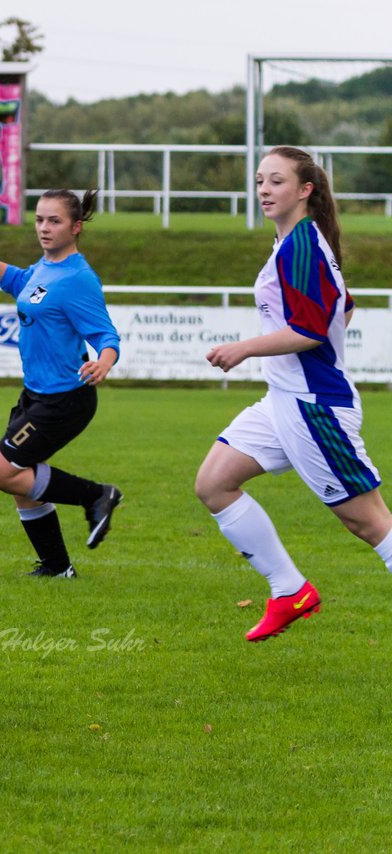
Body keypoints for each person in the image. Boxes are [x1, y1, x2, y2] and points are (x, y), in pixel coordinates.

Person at [195, 146, 392, 642]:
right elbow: (343, 307)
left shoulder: (302, 245)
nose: (264, 189)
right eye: (260, 180)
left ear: (305, 190)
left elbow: (311, 329)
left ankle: (290, 591)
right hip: (285, 398)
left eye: (276, 181)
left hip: (313, 406)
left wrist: (245, 348)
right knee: (215, 483)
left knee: (371, 525)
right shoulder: (294, 241)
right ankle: (290, 591)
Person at [0, 189, 123, 579]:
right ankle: (58, 567)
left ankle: (96, 495)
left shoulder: (78, 278)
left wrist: (104, 363)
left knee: (0, 470)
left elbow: (107, 335)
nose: (44, 227)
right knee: (20, 481)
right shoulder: (45, 267)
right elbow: (18, 280)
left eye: (54, 221)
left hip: (65, 400)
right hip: (35, 395)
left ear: (76, 227)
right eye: (40, 219)